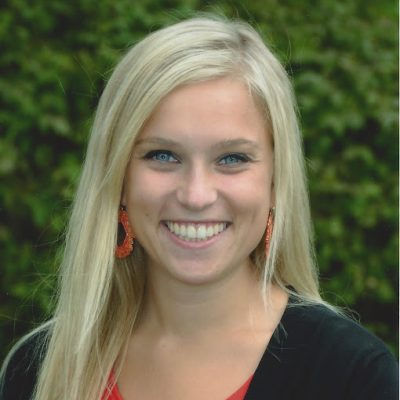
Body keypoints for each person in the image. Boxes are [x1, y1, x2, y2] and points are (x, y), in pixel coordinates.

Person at [0, 15, 398, 400]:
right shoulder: (39, 367)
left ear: (277, 182)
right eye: (162, 155)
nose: (196, 195)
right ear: (119, 177)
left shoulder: (355, 377)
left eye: (231, 159)